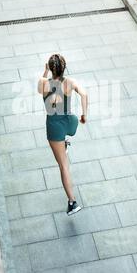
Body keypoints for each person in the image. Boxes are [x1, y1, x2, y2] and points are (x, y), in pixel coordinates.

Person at [38, 54, 88, 215]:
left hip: (55, 126)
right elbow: (84, 94)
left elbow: (40, 90)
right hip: (69, 122)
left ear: (51, 69)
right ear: (64, 68)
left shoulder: (44, 83)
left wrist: (44, 72)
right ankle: (65, 144)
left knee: (63, 166)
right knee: (64, 142)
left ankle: (72, 203)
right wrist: (84, 115)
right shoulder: (70, 82)